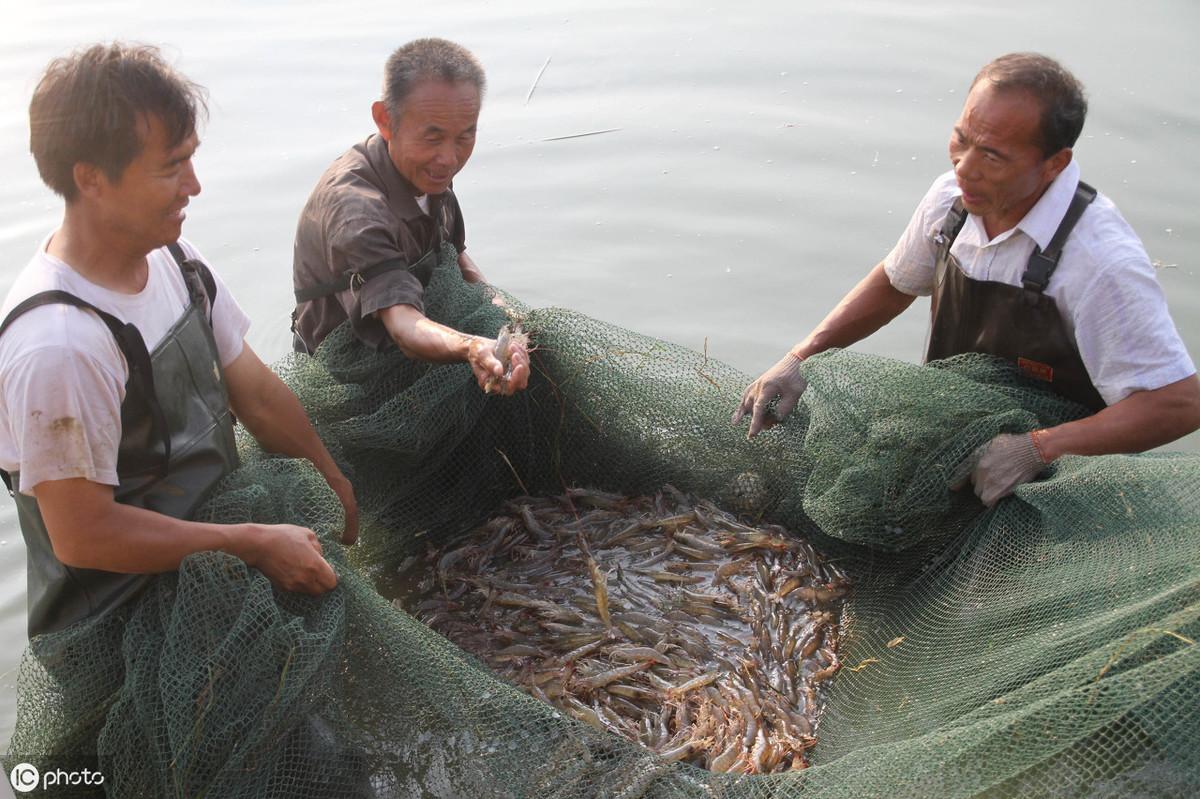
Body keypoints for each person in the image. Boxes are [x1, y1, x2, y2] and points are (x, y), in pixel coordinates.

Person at [0, 43, 358, 639]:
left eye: (191, 159)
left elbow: (259, 397)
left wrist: (334, 482)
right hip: (120, 621)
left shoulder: (174, 258)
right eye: (171, 167)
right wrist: (253, 544)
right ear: (91, 179)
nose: (194, 185)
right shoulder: (58, 346)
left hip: (213, 546)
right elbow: (84, 534)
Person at [733, 52, 1200, 506]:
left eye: (993, 157)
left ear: (1054, 164)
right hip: (950, 446)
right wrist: (801, 357)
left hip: (1059, 485)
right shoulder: (953, 201)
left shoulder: (1102, 263)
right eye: (961, 140)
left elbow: (1178, 403)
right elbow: (897, 283)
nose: (964, 168)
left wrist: (1036, 448)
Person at [292, 37, 529, 396]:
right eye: (433, 138)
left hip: (426, 340)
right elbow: (403, 325)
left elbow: (456, 256)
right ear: (385, 120)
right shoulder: (354, 211)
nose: (449, 158)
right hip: (351, 380)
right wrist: (471, 347)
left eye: (465, 137)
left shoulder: (427, 172)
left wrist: (503, 315)